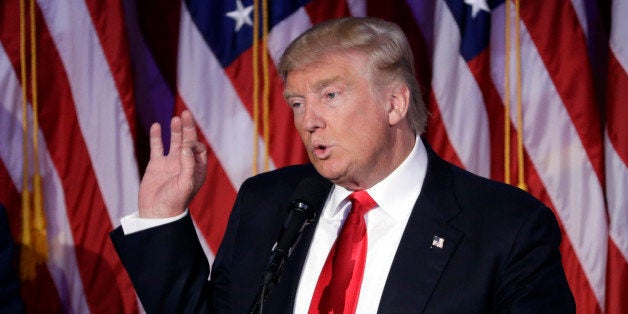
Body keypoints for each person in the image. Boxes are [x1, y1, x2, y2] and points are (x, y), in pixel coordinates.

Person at [110, 17, 575, 313]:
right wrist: (160, 216)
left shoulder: (505, 226)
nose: (309, 121)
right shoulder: (268, 202)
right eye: (296, 102)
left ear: (394, 103)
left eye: (330, 95)